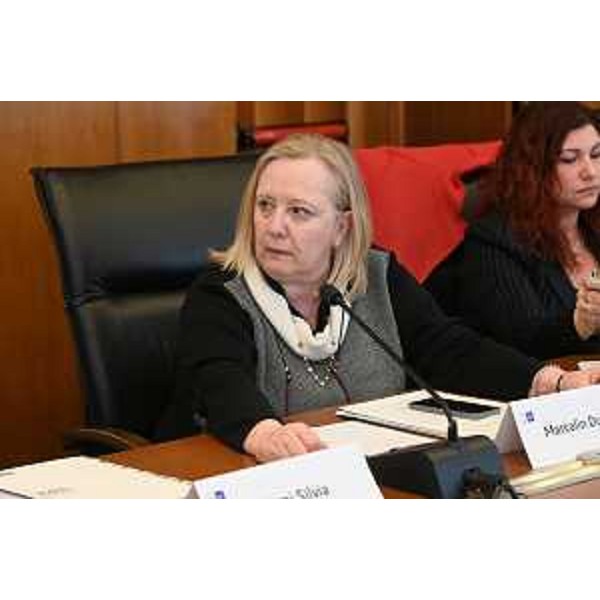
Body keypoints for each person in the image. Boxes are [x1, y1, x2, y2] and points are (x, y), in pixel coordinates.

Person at [156, 133, 600, 463]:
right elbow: (220, 381)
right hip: (247, 479)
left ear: (342, 227)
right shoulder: (222, 294)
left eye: (298, 212)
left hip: (373, 477)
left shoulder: (375, 275)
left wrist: (550, 383)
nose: (274, 227)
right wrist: (267, 434)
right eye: (265, 206)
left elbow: (450, 349)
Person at [426, 102, 600, 360]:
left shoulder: (591, 227)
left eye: (596, 154)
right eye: (569, 159)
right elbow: (520, 339)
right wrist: (580, 324)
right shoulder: (493, 240)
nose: (591, 172)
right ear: (532, 168)